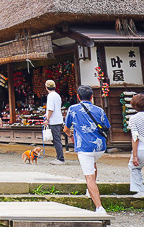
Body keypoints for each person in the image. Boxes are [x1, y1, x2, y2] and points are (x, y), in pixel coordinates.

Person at [64, 85, 111, 215]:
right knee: (93, 165)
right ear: (91, 97)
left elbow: (66, 128)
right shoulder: (99, 110)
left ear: (78, 97)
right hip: (100, 147)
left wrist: (70, 135)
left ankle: (99, 208)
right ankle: (90, 190)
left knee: (89, 177)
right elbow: (107, 126)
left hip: (84, 147)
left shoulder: (73, 109)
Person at [44, 80, 65, 164]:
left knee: (56, 140)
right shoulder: (57, 95)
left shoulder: (50, 96)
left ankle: (60, 158)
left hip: (54, 121)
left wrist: (47, 119)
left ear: (46, 87)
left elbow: (50, 109)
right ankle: (59, 157)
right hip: (58, 119)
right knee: (57, 139)